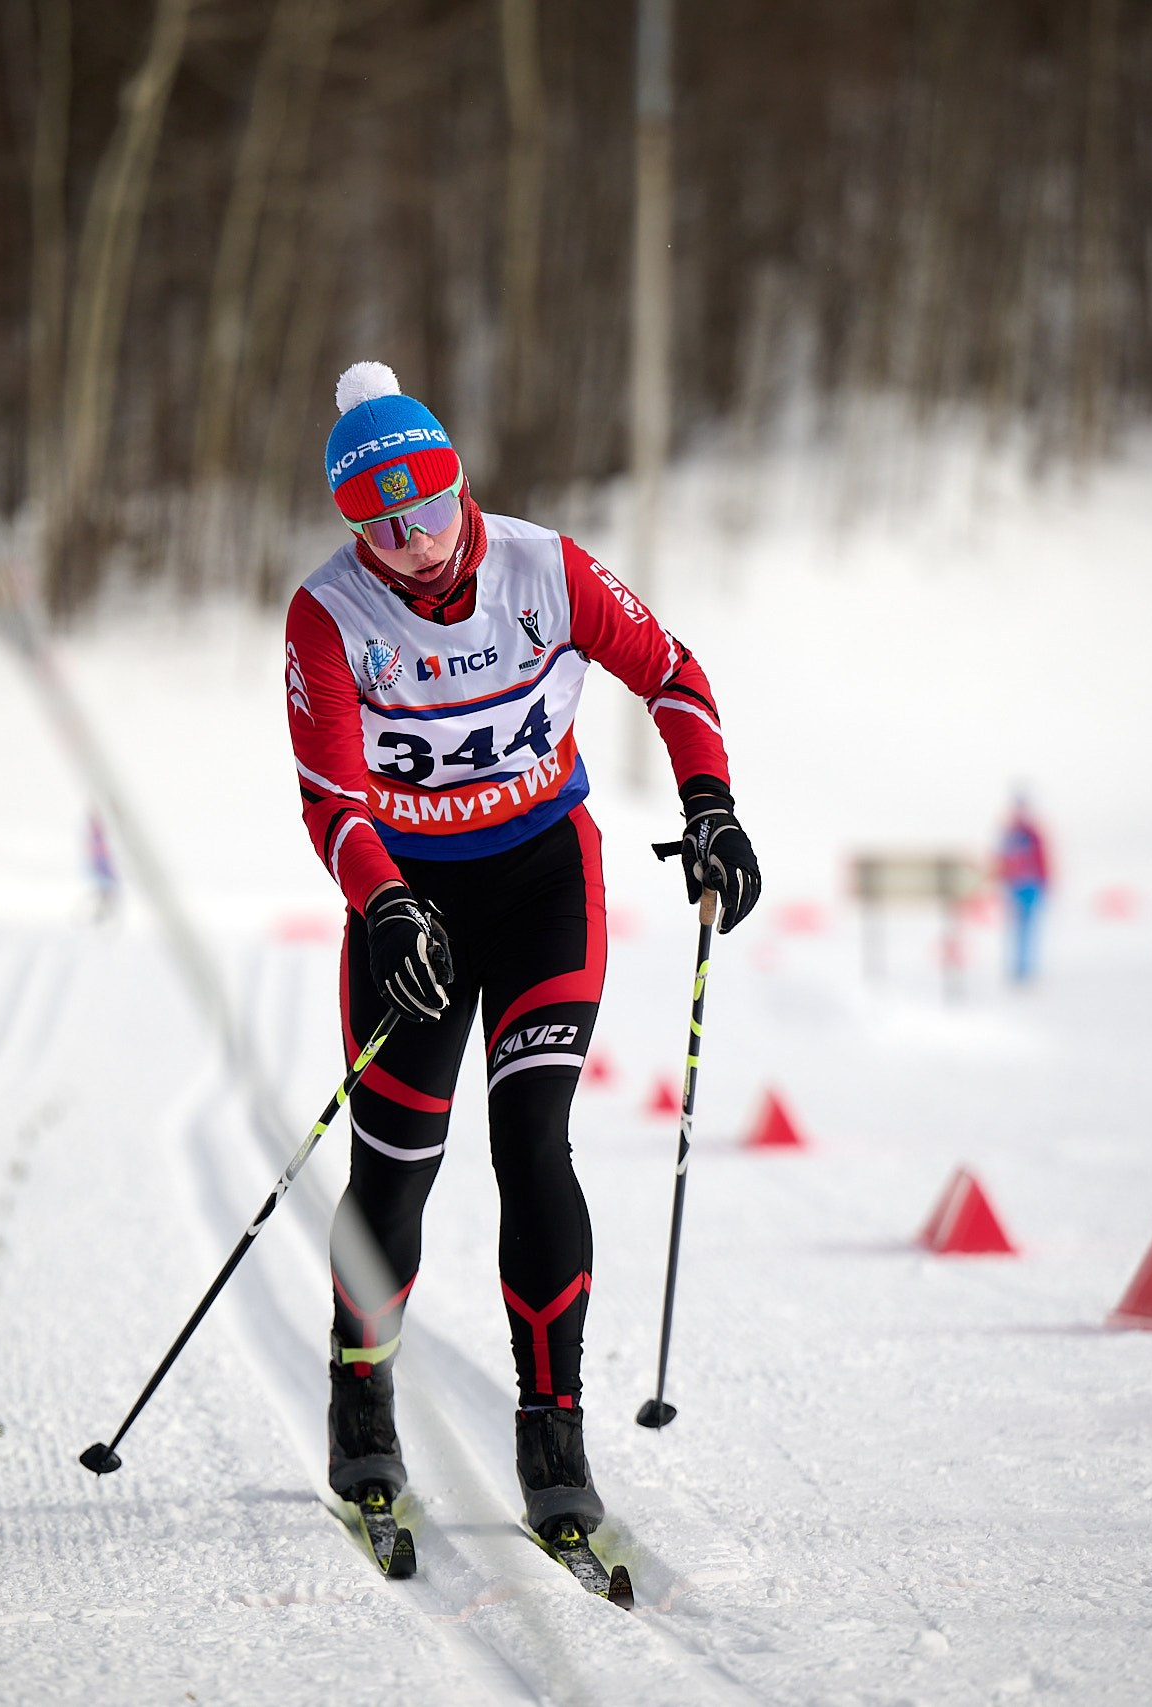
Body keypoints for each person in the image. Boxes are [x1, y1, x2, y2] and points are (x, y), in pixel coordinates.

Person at [284, 362, 759, 1544]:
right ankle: (361, 1400)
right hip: (413, 909)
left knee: (533, 1144)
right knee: (395, 1168)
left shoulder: (543, 568)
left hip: (545, 879)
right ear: (356, 531)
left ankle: (554, 1433)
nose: (419, 543)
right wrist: (386, 907)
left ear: (463, 487)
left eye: (434, 509)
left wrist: (710, 808)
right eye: (385, 529)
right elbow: (333, 797)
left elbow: (671, 671)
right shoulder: (329, 614)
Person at [994, 793, 1051, 984]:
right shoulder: (1013, 833)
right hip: (1017, 886)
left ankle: (1024, 968)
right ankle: (1020, 968)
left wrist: (1044, 882)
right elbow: (1002, 861)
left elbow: (1041, 860)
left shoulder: (1026, 833)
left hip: (1028, 885)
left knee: (1026, 928)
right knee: (1020, 928)